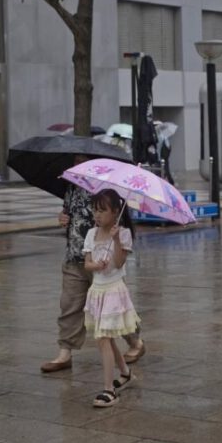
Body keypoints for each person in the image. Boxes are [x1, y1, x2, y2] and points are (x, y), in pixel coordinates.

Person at [41, 161, 144, 374]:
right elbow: (67, 212)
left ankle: (135, 341)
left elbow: (118, 216)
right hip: (76, 255)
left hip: (106, 264)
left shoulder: (109, 188)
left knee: (116, 308)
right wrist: (62, 218)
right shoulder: (72, 186)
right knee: (69, 304)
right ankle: (65, 352)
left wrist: (115, 240)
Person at [83, 189, 141, 407]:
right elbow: (87, 263)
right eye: (95, 210)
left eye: (102, 210)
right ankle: (125, 373)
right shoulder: (91, 234)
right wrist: (96, 265)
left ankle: (109, 390)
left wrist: (116, 240)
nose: (97, 215)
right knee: (105, 336)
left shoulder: (123, 234)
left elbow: (119, 262)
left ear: (116, 212)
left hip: (113, 291)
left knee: (103, 338)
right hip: (97, 291)